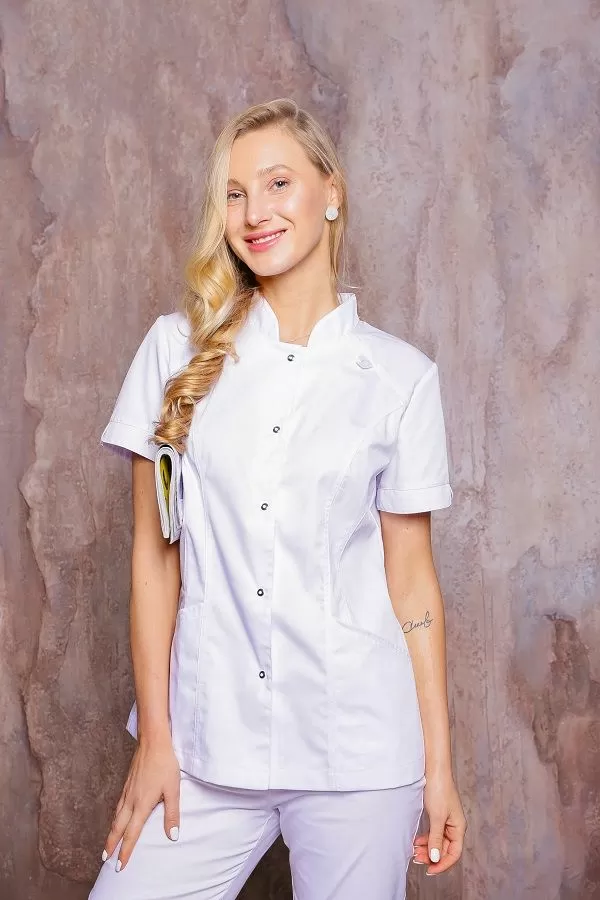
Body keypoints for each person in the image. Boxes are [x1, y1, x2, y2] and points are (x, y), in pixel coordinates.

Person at [89, 97, 467, 900]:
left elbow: (412, 583)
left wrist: (438, 767)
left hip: (357, 752)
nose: (254, 212)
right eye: (234, 193)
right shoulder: (173, 353)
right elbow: (155, 558)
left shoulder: (400, 378)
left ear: (331, 192)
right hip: (206, 745)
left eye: (277, 183)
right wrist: (157, 740)